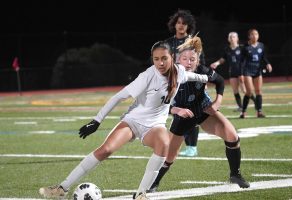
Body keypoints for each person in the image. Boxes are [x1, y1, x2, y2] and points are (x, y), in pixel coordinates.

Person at [38, 41, 212, 200]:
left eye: (164, 58)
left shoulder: (179, 72)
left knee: (164, 144)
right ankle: (62, 188)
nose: (160, 63)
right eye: (156, 59)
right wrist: (97, 121)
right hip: (134, 121)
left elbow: (195, 76)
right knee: (105, 150)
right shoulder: (147, 76)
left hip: (155, 126)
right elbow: (118, 97)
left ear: (171, 58)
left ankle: (141, 194)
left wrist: (208, 77)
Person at [148, 35, 250, 193]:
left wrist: (217, 103)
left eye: (192, 59)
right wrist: (176, 110)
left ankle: (235, 174)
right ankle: (153, 184)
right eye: (185, 58)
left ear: (198, 61)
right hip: (182, 116)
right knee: (168, 156)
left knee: (232, 136)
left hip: (203, 110)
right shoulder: (168, 75)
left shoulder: (203, 71)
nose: (188, 62)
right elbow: (156, 102)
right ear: (177, 59)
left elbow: (220, 81)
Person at [165, 9, 205, 157]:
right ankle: (182, 145)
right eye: (178, 23)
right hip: (175, 83)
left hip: (192, 82)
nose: (181, 25)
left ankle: (192, 147)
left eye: (184, 23)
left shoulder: (193, 41)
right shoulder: (168, 43)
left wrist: (201, 80)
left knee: (192, 114)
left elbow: (201, 62)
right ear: (174, 25)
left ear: (188, 26)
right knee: (178, 113)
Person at [210, 32, 255, 112]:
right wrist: (216, 63)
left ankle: (257, 103)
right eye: (230, 37)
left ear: (237, 38)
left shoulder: (242, 48)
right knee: (235, 90)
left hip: (242, 72)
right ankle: (240, 107)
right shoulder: (227, 49)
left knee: (244, 90)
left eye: (234, 37)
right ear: (228, 39)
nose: (232, 38)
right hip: (232, 72)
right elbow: (223, 59)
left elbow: (248, 57)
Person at [240, 28, 272, 118]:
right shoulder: (245, 47)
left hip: (257, 71)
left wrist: (268, 64)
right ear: (249, 36)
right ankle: (243, 112)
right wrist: (241, 74)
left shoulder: (261, 46)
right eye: (253, 34)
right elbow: (241, 61)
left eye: (256, 34)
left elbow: (263, 57)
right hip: (247, 71)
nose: (255, 36)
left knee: (258, 91)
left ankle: (259, 112)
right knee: (249, 92)